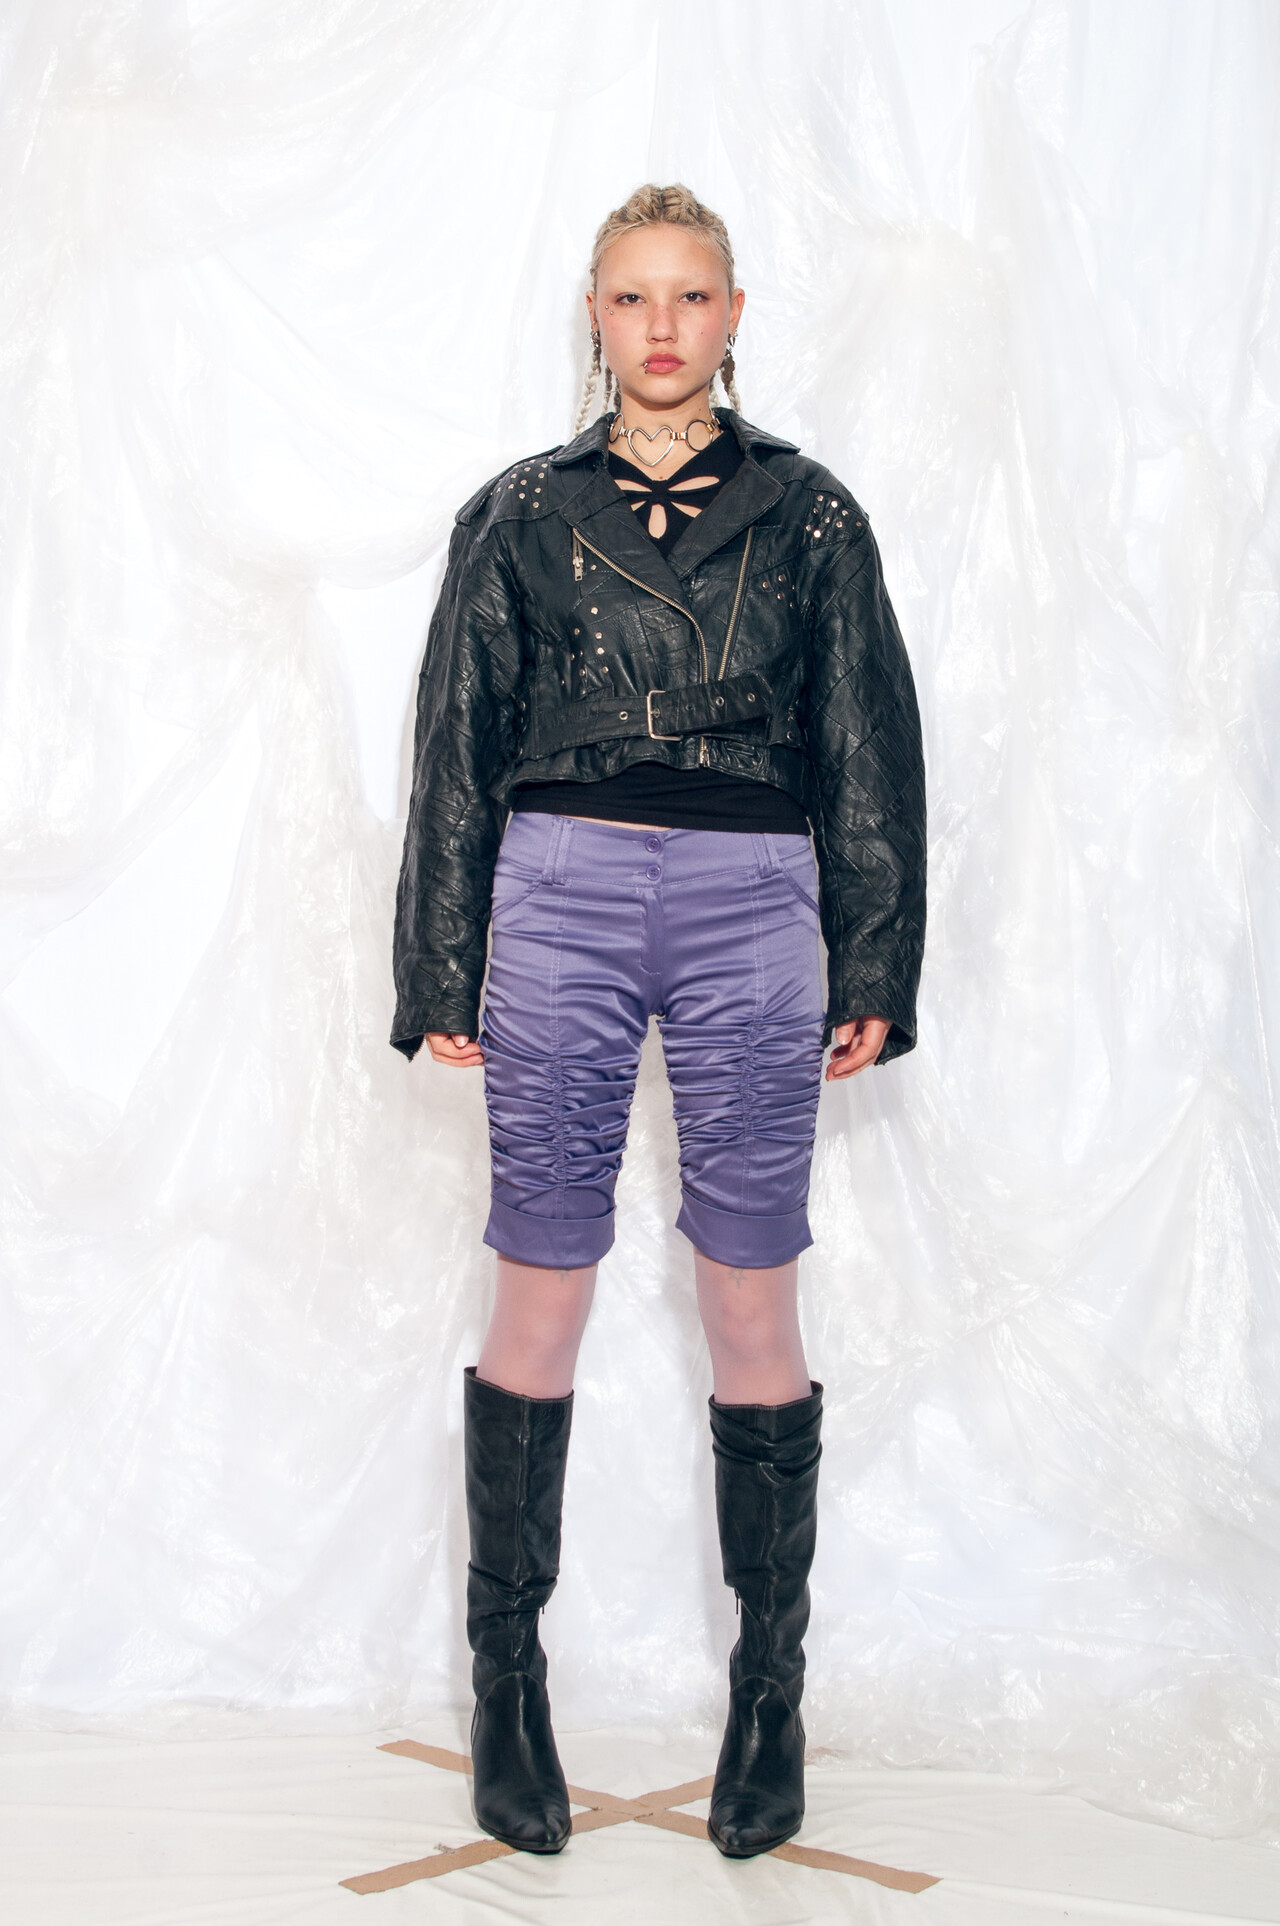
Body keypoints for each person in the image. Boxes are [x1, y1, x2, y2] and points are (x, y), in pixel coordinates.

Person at [391, 183, 926, 1861]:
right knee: (540, 1274)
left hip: (753, 897)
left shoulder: (811, 515)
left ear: (736, 312)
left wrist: (874, 956)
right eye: (634, 296)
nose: (664, 325)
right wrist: (441, 963)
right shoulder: (518, 513)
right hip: (556, 889)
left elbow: (865, 736)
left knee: (751, 1285)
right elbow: (457, 739)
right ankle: (508, 1680)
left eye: (692, 294)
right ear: (597, 314)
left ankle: (772, 1693)